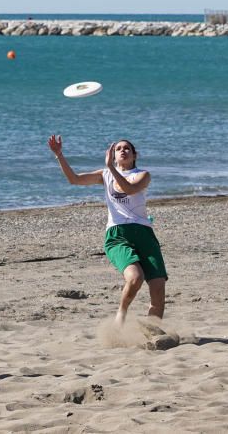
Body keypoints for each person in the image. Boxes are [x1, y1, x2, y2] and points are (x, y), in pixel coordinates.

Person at [48, 135, 167, 326]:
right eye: (118, 148)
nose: (122, 150)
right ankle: (122, 311)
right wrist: (59, 155)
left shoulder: (143, 174)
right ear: (113, 154)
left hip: (144, 234)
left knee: (159, 288)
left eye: (127, 148)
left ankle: (153, 330)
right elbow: (74, 179)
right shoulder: (105, 174)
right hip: (118, 235)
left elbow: (129, 189)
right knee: (135, 278)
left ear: (135, 154)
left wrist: (111, 167)